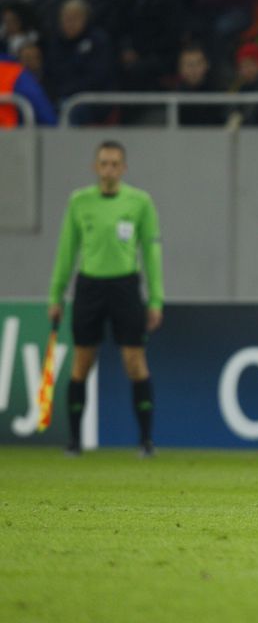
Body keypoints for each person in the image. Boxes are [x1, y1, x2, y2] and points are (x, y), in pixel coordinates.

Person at [48, 141, 164, 457]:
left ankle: (146, 441)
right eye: (104, 163)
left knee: (135, 362)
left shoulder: (140, 202)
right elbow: (66, 251)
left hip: (125, 286)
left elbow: (151, 252)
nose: (109, 169)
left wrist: (156, 299)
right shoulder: (79, 202)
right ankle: (74, 441)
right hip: (90, 287)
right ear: (95, 167)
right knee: (82, 362)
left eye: (115, 164)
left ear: (123, 168)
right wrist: (56, 295)